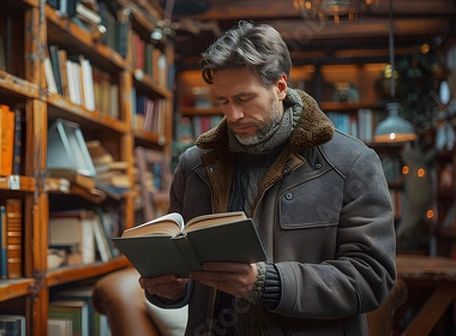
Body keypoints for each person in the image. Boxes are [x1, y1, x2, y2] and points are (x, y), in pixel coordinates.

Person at [139, 21, 396, 335]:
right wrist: (167, 289)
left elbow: (372, 277)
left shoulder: (350, 162)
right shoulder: (194, 166)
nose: (232, 115)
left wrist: (269, 283)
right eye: (222, 101)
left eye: (244, 99)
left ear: (281, 87)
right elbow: (186, 273)